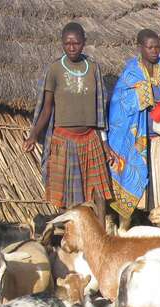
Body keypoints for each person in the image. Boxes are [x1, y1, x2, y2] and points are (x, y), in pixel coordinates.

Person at [25, 22, 112, 211]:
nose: (72, 47)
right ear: (62, 44)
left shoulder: (93, 68)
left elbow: (100, 107)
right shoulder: (55, 69)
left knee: (99, 192)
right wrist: (33, 135)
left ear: (84, 43)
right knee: (66, 194)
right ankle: (70, 233)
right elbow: (46, 109)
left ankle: (101, 235)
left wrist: (104, 142)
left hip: (90, 139)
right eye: (67, 43)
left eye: (76, 43)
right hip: (64, 140)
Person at [106, 28, 160, 221]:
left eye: (157, 47)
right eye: (150, 47)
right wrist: (143, 94)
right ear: (140, 47)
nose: (154, 51)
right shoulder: (131, 75)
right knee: (142, 186)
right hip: (140, 143)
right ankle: (134, 226)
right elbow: (119, 105)